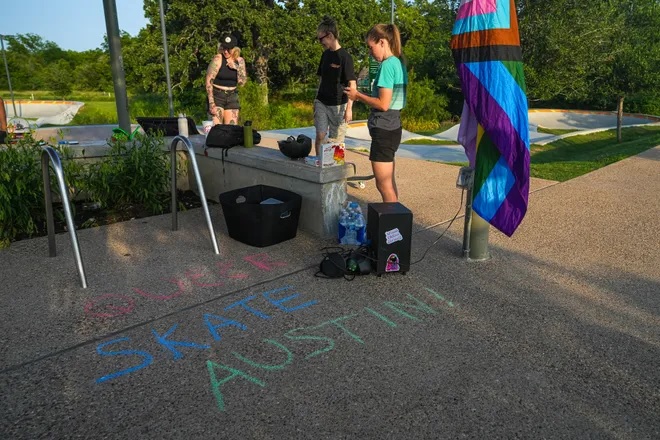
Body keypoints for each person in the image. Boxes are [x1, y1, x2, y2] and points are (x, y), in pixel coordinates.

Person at [344, 24, 407, 203]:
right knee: (389, 184)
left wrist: (357, 96)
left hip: (384, 128)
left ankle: (393, 228)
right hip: (392, 126)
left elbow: (383, 104)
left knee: (384, 185)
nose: (370, 53)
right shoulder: (398, 62)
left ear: (382, 42)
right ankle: (395, 224)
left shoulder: (387, 65)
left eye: (371, 47)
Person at [314, 16, 357, 156]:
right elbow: (321, 78)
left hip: (339, 104)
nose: (320, 43)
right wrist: (316, 99)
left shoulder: (345, 57)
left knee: (336, 141)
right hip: (322, 101)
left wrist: (349, 109)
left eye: (321, 39)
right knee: (320, 135)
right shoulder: (325, 55)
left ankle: (336, 171)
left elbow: (352, 84)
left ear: (330, 35)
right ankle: (319, 163)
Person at [205, 35, 247, 126]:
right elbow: (209, 81)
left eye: (229, 49)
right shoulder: (218, 59)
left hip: (232, 95)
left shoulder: (240, 61)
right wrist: (211, 103)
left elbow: (242, 82)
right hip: (217, 95)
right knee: (217, 129)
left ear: (235, 49)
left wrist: (237, 68)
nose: (226, 51)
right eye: (224, 48)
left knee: (231, 130)